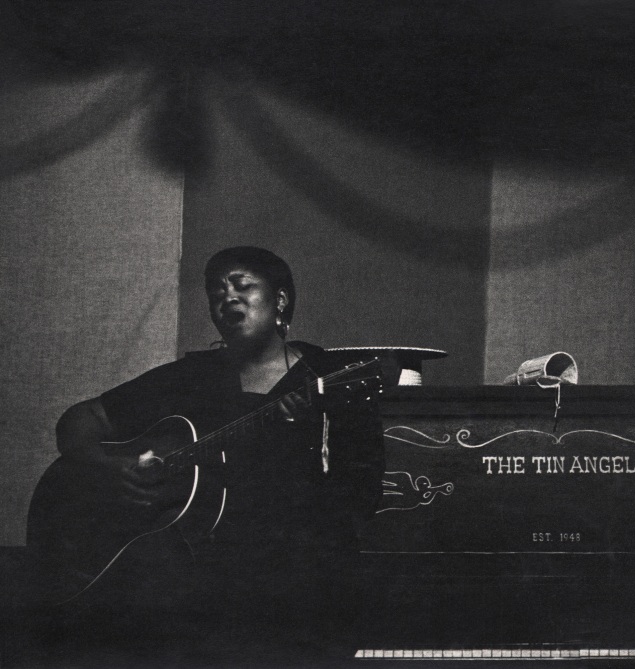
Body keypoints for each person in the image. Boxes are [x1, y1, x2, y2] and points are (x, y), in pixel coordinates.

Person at [41, 246, 385, 663]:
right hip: (193, 592)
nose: (228, 298)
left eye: (243, 286)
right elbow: (80, 420)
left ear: (280, 299)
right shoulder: (191, 377)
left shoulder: (322, 378)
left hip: (299, 592)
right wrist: (112, 466)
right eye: (216, 292)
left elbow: (361, 493)